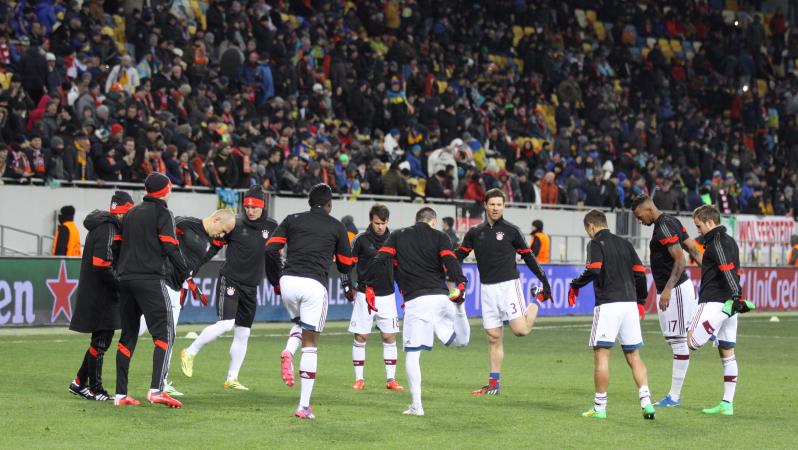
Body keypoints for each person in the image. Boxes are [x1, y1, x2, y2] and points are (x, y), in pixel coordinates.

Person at [363, 207, 471, 417]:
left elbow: (380, 259)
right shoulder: (440, 236)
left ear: (416, 220)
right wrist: (461, 282)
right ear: (433, 222)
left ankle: (417, 406)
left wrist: (368, 284)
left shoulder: (398, 236)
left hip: (416, 302)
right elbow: (451, 261)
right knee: (460, 342)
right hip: (441, 298)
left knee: (412, 355)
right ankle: (459, 306)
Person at [265, 183, 354, 420]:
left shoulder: (292, 219)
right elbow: (346, 264)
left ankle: (288, 350)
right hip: (314, 284)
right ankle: (303, 406)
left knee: (300, 323)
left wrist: (276, 280)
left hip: (288, 282)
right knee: (311, 343)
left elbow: (270, 250)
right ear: (329, 204)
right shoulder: (336, 226)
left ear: (309, 202)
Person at [456, 189, 552, 395]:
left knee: (521, 330)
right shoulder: (475, 233)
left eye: (499, 204)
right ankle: (494, 384)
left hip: (509, 286)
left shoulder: (512, 231)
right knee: (493, 337)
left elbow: (528, 257)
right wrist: (444, 264)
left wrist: (543, 278)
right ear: (485, 205)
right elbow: (458, 257)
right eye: (492, 204)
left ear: (503, 206)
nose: (495, 208)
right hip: (487, 289)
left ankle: (537, 298)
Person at [181, 188, 278, 391]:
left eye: (255, 207)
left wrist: (276, 280)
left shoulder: (272, 227)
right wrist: (193, 268)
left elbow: (273, 257)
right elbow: (213, 247)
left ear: (262, 206)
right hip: (231, 280)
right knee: (226, 324)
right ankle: (190, 351)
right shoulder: (235, 224)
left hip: (252, 286)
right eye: (248, 206)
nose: (250, 210)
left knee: (243, 334)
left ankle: (232, 378)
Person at [569, 209, 655, 420]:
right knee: (634, 356)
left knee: (602, 355)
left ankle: (599, 408)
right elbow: (640, 273)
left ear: (591, 226)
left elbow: (595, 269)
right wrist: (641, 301)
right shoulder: (626, 244)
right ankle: (647, 402)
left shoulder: (595, 243)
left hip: (608, 305)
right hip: (629, 305)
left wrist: (576, 284)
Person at [140, 209, 236, 396]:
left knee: (169, 337)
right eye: (223, 229)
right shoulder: (184, 224)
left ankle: (161, 382)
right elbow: (160, 241)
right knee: (138, 330)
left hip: (178, 289)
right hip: (162, 283)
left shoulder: (213, 242)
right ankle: (95, 362)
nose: (222, 235)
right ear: (216, 219)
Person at [114, 173, 189, 408]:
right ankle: (156, 390)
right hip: (150, 280)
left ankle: (120, 394)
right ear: (165, 190)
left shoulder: (132, 213)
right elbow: (169, 246)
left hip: (125, 279)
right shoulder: (163, 213)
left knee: (128, 335)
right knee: (165, 333)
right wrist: (186, 272)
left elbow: (118, 246)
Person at [631, 196, 702, 407]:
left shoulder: (664, 227)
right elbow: (694, 249)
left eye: (639, 216)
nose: (639, 221)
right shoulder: (672, 222)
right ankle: (707, 326)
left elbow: (681, 258)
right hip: (674, 289)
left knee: (679, 341)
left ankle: (674, 397)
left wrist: (668, 289)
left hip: (676, 289)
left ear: (648, 209)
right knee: (674, 339)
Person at [687, 205, 755, 416]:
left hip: (713, 302)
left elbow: (726, 270)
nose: (697, 229)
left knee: (692, 341)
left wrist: (734, 301)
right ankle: (727, 404)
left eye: (699, 225)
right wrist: (736, 298)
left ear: (709, 222)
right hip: (728, 301)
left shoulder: (715, 243)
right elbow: (735, 272)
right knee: (727, 353)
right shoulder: (730, 241)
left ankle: (725, 312)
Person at [68, 191, 134, 401]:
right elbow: (102, 263)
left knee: (101, 340)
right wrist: (121, 285)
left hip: (99, 291)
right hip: (102, 293)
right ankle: (95, 389)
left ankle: (79, 382)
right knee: (101, 341)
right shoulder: (109, 228)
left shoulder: (103, 225)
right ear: (124, 211)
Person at [348, 204, 404, 392]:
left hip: (387, 295)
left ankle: (391, 379)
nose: (379, 226)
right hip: (365, 294)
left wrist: (404, 288)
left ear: (388, 222)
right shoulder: (360, 239)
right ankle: (359, 379)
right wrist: (346, 285)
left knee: (389, 337)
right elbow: (347, 263)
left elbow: (399, 267)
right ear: (371, 221)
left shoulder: (394, 239)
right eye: (376, 223)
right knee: (361, 336)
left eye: (383, 223)